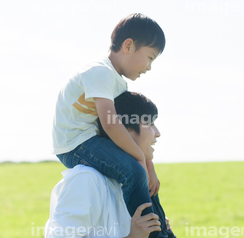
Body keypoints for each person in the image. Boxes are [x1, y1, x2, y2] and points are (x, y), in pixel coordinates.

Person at [52, 12, 166, 222]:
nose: (149, 67)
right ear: (128, 46)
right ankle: (150, 232)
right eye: (150, 57)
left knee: (147, 177)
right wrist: (140, 158)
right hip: (75, 144)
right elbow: (111, 124)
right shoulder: (100, 71)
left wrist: (150, 165)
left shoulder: (118, 82)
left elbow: (126, 127)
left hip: (92, 139)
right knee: (134, 171)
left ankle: (162, 229)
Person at [46, 91, 176, 238]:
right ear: (123, 131)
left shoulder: (132, 182)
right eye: (150, 124)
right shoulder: (86, 179)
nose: (157, 133)